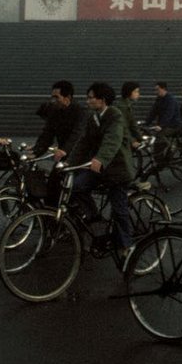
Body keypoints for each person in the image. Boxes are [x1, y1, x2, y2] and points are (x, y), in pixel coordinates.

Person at [71, 82, 136, 256]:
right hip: (99, 169)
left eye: (91, 97)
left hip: (117, 170)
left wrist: (100, 158)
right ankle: (95, 218)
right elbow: (84, 143)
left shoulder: (115, 115)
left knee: (119, 208)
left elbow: (112, 139)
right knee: (76, 186)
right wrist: (69, 163)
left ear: (103, 99)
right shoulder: (94, 118)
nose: (88, 101)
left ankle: (127, 247)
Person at [31, 80, 87, 162]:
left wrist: (64, 150)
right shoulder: (55, 112)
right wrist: (36, 152)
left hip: (80, 155)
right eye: (52, 97)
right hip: (63, 154)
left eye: (56, 97)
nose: (53, 101)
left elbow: (77, 134)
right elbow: (47, 134)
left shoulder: (80, 112)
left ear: (68, 97)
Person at [145, 81, 181, 162]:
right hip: (165, 124)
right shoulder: (159, 99)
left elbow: (169, 114)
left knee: (160, 135)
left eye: (158, 89)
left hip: (173, 125)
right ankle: (159, 157)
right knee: (157, 136)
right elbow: (153, 111)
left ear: (164, 89)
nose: (156, 92)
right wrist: (146, 122)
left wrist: (161, 125)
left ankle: (171, 147)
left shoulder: (170, 100)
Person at [117, 81, 144, 149]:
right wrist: (132, 141)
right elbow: (123, 127)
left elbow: (133, 124)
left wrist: (140, 138)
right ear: (129, 92)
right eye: (136, 91)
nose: (138, 94)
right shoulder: (122, 107)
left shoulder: (127, 105)